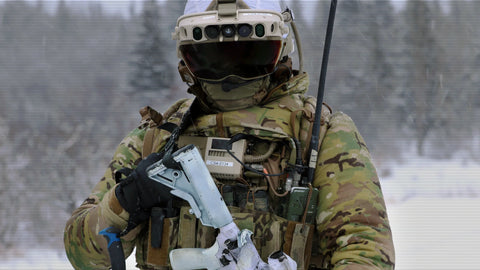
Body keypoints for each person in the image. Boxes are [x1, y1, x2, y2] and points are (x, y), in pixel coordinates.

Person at [64, 0, 395, 269]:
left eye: (250, 54)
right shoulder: (155, 139)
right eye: (213, 57)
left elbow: (365, 250)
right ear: (186, 60)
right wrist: (125, 201)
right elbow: (82, 253)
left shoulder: (319, 137)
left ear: (280, 50)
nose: (231, 74)